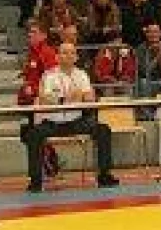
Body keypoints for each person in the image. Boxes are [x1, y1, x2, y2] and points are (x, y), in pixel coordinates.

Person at [19, 41, 120, 193]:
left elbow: (90, 97)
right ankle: (35, 181)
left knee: (103, 130)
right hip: (53, 122)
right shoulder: (49, 75)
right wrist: (65, 98)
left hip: (77, 121)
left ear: (76, 57)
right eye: (64, 52)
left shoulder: (82, 75)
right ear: (57, 56)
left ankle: (105, 175)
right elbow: (44, 99)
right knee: (33, 134)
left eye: (72, 53)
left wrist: (79, 96)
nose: (68, 56)